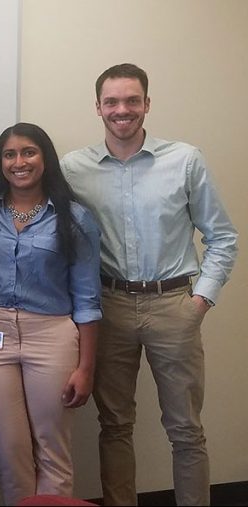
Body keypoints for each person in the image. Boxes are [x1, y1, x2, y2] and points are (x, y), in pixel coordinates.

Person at [60, 63, 238, 506]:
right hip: (108, 306)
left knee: (185, 429)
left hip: (173, 305)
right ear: (98, 107)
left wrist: (200, 301)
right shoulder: (73, 168)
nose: (123, 110)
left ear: (147, 104)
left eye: (132, 101)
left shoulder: (184, 159)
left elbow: (222, 237)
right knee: (115, 425)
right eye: (112, 102)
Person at [0, 122, 101, 506]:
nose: (19, 162)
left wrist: (86, 367)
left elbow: (88, 299)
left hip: (51, 336)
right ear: (0, 162)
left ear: (45, 159)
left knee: (52, 449)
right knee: (10, 451)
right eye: (10, 154)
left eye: (28, 152)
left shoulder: (75, 217)